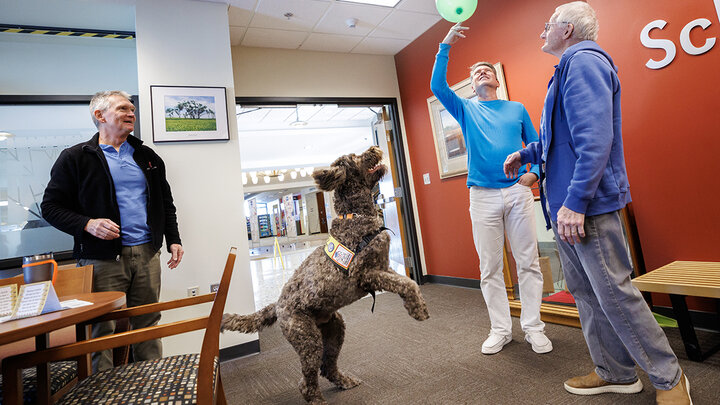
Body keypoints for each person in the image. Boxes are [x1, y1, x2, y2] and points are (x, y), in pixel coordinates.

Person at [504, 2, 691, 403]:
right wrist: (529, 153)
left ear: (567, 29)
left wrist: (575, 202)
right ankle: (616, 372)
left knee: (614, 293)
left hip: (585, 208)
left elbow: (595, 139)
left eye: (548, 26)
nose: (542, 33)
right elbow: (565, 139)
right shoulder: (567, 69)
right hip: (568, 209)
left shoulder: (584, 62)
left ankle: (669, 378)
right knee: (587, 294)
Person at [41, 90, 184, 372]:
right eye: (122, 109)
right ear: (100, 115)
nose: (131, 113)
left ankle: (152, 385)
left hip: (147, 255)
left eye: (132, 109)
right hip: (101, 260)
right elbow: (51, 207)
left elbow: (165, 203)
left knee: (147, 322)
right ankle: (105, 394)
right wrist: (87, 224)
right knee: (101, 330)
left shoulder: (147, 156)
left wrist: (173, 239)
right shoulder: (74, 158)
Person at [431, 23, 552, 355]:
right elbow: (437, 85)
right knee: (490, 268)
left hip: (517, 193)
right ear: (472, 85)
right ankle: (501, 329)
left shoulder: (516, 109)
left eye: (487, 70)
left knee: (527, 262)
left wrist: (535, 175)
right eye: (476, 73)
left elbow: (539, 144)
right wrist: (446, 45)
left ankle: (533, 327)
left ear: (496, 80)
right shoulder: (466, 109)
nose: (482, 73)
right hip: (481, 196)